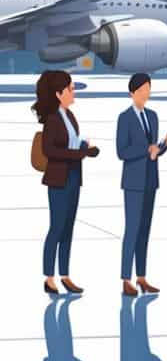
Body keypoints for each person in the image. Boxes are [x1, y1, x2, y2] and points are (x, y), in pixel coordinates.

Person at [35, 70, 99, 295]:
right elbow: (49, 150)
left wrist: (86, 148)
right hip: (58, 179)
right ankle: (49, 277)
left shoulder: (69, 116)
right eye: (70, 89)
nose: (73, 93)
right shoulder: (52, 120)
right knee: (57, 228)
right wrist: (78, 154)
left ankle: (65, 275)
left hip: (73, 177)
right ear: (58, 93)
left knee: (69, 229)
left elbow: (73, 142)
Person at [116, 73, 167, 297]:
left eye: (149, 88)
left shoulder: (153, 116)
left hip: (151, 180)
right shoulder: (125, 118)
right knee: (131, 230)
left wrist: (164, 146)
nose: (147, 93)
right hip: (133, 182)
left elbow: (154, 152)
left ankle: (141, 277)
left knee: (144, 231)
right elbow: (122, 151)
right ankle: (125, 279)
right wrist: (146, 151)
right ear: (133, 92)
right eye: (143, 89)